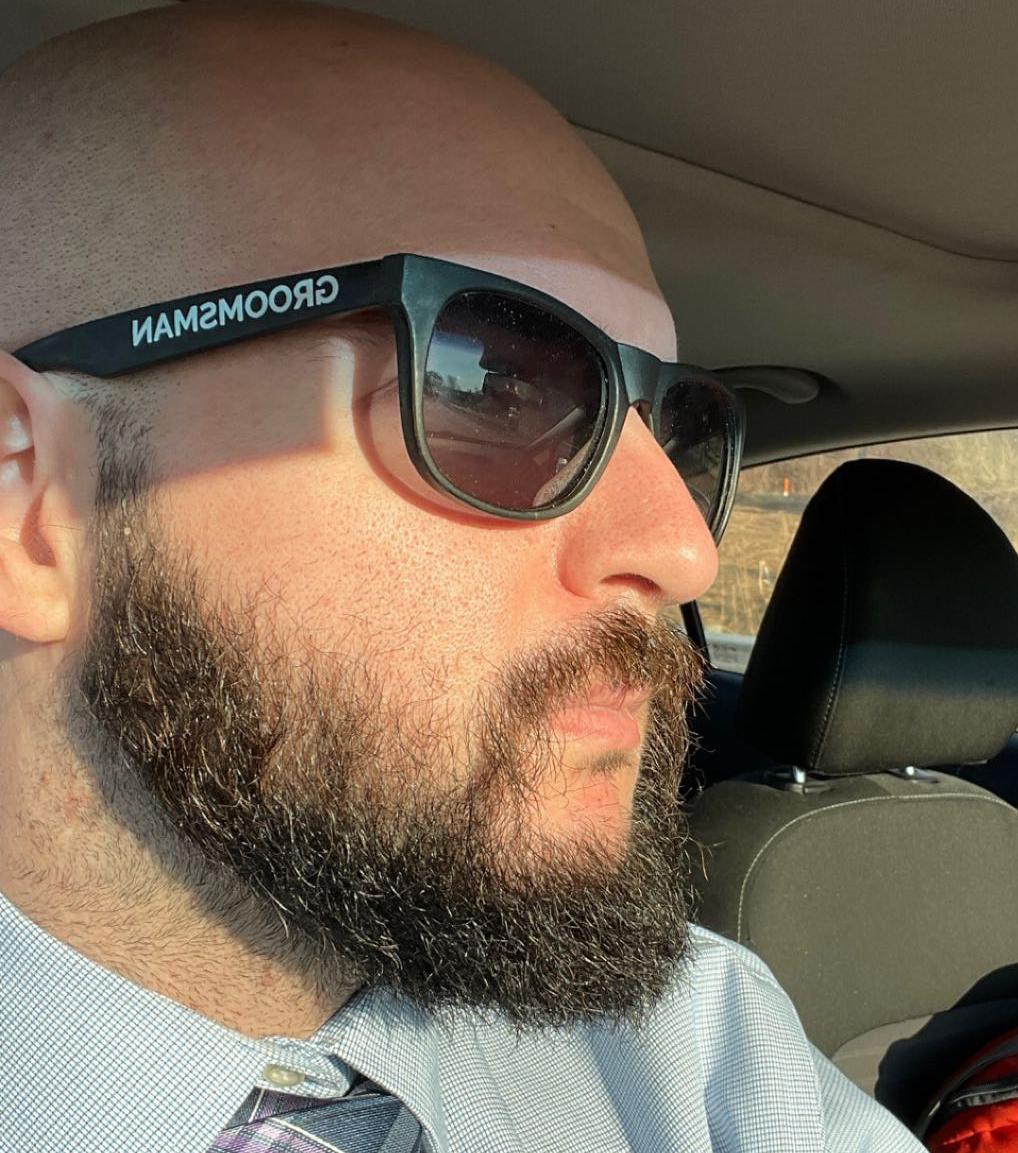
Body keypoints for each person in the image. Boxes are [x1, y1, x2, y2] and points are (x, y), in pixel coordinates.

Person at [0, 2, 927, 1150]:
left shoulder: (697, 1053)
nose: (683, 548)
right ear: (26, 503)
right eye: (496, 388)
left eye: (673, 424)